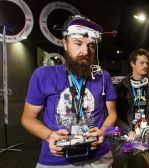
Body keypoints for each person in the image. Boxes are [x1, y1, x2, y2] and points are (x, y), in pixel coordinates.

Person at [21, 15, 117, 167]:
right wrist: (50, 136)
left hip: (99, 157)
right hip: (57, 159)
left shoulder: (103, 76)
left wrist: (103, 131)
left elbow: (112, 113)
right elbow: (28, 118)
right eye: (78, 43)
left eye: (91, 45)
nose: (85, 51)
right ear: (64, 43)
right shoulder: (43, 75)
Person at [115, 48, 149, 168]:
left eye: (147, 63)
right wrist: (127, 130)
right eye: (142, 63)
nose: (146, 65)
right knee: (129, 165)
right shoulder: (122, 87)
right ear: (132, 63)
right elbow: (115, 115)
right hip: (130, 136)